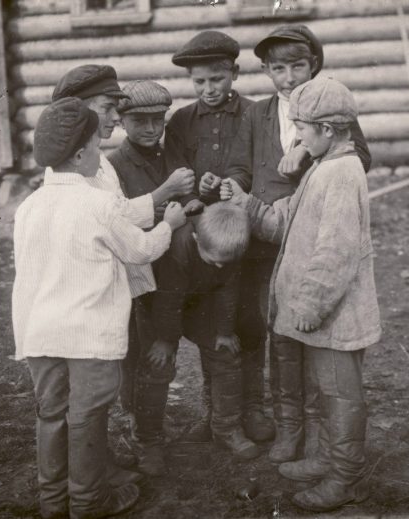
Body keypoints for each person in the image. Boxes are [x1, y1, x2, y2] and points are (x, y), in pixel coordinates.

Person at [202, 24, 372, 463]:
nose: (290, 76)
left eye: (298, 66)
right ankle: (286, 426)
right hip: (266, 238)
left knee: (310, 330)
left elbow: (359, 156)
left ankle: (312, 429)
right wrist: (234, 190)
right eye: (279, 69)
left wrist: (303, 150)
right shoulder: (256, 114)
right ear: (267, 71)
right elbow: (242, 167)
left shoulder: (330, 107)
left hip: (313, 232)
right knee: (274, 327)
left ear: (314, 64)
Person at [12, 97, 187, 519]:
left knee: (51, 415)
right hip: (87, 336)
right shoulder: (97, 203)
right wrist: (170, 224)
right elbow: (141, 250)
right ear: (79, 154)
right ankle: (89, 502)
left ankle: (53, 501)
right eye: (94, 146)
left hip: (40, 334)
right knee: (87, 417)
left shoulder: (28, 207)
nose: (99, 154)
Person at [220, 77, 381, 512]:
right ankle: (329, 459)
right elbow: (284, 226)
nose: (298, 136)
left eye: (303, 128)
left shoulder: (343, 174)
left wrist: (310, 303)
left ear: (327, 130)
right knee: (326, 390)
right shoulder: (323, 167)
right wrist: (249, 205)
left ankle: (345, 478)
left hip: (335, 315)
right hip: (322, 316)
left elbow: (336, 250)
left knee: (341, 395)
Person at [52, 65, 195, 476]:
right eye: (110, 109)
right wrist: (167, 213)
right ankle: (94, 466)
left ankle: (139, 439)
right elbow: (112, 223)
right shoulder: (93, 161)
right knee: (111, 369)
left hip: (136, 279)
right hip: (108, 281)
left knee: (144, 360)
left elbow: (118, 215)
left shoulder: (104, 162)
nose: (115, 118)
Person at [164, 31, 275, 443]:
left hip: (247, 239)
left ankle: (253, 407)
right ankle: (216, 409)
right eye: (199, 82)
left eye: (217, 79)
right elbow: (176, 174)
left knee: (249, 321)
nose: (209, 89)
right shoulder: (180, 121)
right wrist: (195, 193)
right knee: (212, 324)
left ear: (235, 72)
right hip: (204, 246)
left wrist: (231, 182)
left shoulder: (255, 114)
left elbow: (255, 166)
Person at [106, 80, 197, 476]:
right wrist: (168, 195)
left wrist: (196, 200)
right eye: (138, 121)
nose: (149, 128)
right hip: (136, 274)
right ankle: (146, 437)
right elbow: (121, 217)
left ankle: (145, 427)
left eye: (157, 120)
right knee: (141, 357)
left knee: (160, 354)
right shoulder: (112, 165)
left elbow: (189, 202)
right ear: (122, 121)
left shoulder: (172, 151)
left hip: (173, 269)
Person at [147, 202, 261, 460]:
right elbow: (169, 299)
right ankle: (149, 436)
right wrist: (166, 339)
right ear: (197, 239)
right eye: (214, 261)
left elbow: (228, 290)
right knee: (158, 361)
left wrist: (224, 330)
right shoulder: (181, 247)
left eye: (226, 263)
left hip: (204, 300)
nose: (220, 267)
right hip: (169, 301)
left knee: (224, 355)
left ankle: (223, 426)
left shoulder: (227, 250)